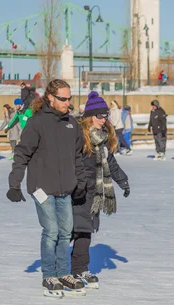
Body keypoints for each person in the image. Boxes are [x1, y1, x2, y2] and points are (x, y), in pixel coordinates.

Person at [7, 79, 87, 298]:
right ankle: (49, 274)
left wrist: (81, 183)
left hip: (65, 188)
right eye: (63, 98)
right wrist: (15, 184)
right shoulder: (37, 123)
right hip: (42, 187)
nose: (67, 102)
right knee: (51, 231)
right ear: (50, 97)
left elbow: (77, 156)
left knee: (65, 232)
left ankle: (63, 273)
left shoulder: (71, 124)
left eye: (69, 98)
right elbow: (22, 153)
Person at [71, 92, 130, 289]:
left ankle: (79, 270)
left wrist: (123, 181)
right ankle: (65, 271)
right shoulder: (79, 137)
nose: (104, 120)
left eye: (106, 116)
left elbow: (110, 163)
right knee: (74, 232)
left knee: (84, 232)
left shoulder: (103, 139)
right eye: (100, 116)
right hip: (77, 191)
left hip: (94, 193)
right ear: (90, 116)